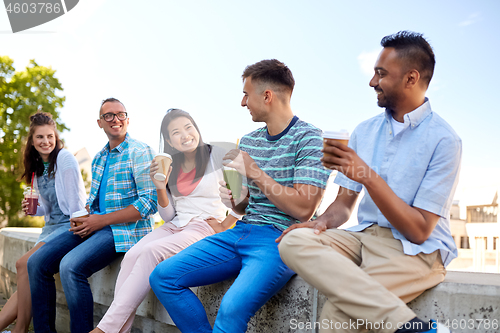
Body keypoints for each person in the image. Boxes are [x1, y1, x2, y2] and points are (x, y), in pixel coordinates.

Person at [278, 31, 461, 333]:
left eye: (381, 74)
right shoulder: (365, 130)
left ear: (411, 78)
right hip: (363, 237)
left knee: (337, 320)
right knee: (294, 240)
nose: (372, 82)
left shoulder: (445, 140)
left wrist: (367, 176)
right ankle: (413, 328)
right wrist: (321, 222)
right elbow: (344, 205)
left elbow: (418, 231)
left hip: (416, 252)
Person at [149, 59, 330, 333]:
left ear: (267, 96)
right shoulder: (248, 141)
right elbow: (247, 205)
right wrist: (236, 199)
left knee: (230, 310)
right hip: (241, 232)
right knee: (163, 277)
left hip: (280, 239)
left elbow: (304, 208)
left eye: (246, 94)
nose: (243, 102)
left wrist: (255, 172)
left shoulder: (310, 138)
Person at [90, 108, 241, 333]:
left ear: (196, 129)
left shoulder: (218, 154)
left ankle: (103, 330)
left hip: (204, 226)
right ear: (169, 140)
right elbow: (168, 215)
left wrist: (225, 224)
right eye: (176, 132)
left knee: (151, 253)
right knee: (131, 256)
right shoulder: (171, 164)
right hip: (175, 225)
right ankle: (118, 331)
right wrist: (160, 185)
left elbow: (240, 194)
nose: (185, 135)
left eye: (188, 127)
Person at [27, 98, 157, 333]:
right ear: (100, 123)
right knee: (36, 262)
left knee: (70, 266)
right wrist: (85, 215)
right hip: (97, 225)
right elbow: (93, 203)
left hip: (124, 231)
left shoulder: (140, 151)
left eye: (120, 114)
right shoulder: (99, 158)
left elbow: (149, 203)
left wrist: (100, 220)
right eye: (109, 115)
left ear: (128, 119)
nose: (115, 119)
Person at [0, 112, 86, 333]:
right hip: (49, 227)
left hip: (68, 225)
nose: (46, 141)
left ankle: (20, 329)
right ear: (32, 140)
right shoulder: (38, 166)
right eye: (40, 137)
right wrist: (32, 208)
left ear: (56, 137)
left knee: (22, 264)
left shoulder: (64, 158)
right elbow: (47, 209)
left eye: (50, 136)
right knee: (26, 277)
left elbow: (76, 200)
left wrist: (79, 227)